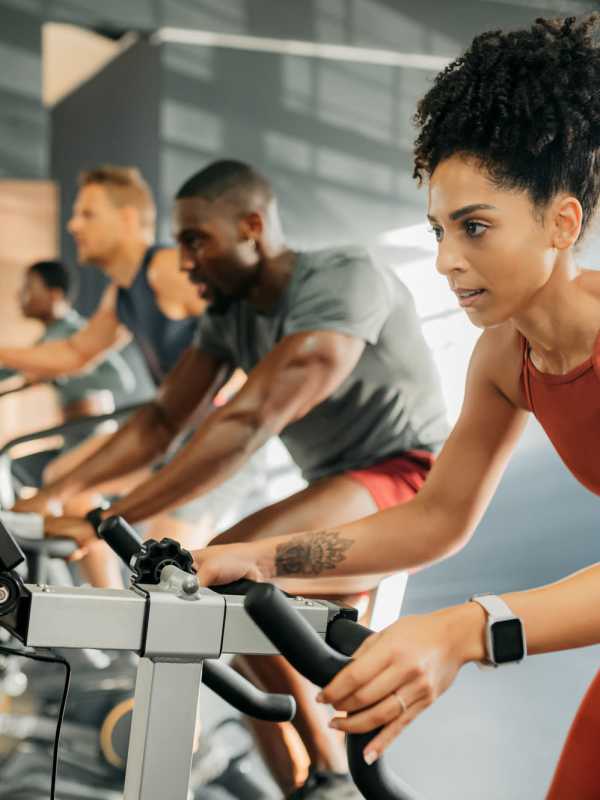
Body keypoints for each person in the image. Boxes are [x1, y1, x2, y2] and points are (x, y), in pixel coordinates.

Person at [184, 15, 600, 795]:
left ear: (562, 220)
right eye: (439, 229)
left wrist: (464, 630)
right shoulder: (506, 357)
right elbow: (435, 519)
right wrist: (260, 559)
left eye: (475, 228)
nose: (446, 260)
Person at [34, 159, 448, 798]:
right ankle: (305, 785)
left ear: (252, 226)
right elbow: (162, 420)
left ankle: (332, 776)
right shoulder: (229, 317)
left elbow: (253, 417)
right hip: (335, 481)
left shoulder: (342, 277)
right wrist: (54, 498)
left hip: (410, 477)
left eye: (198, 240)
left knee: (231, 570)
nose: (187, 260)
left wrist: (107, 518)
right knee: (231, 596)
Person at [12, 166, 261, 585]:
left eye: (88, 214)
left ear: (127, 219)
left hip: (217, 444)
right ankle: (107, 622)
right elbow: (75, 353)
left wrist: (223, 402)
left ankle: (135, 625)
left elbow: (245, 334)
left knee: (168, 580)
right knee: (63, 480)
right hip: (170, 435)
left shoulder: (167, 269)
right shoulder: (122, 292)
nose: (74, 225)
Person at [0, 258, 144, 484]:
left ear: (54, 295)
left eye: (29, 288)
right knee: (17, 470)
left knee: (41, 479)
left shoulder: (76, 334)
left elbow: (121, 380)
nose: (21, 295)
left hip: (92, 432)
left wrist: (59, 377)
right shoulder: (46, 341)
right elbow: (11, 369)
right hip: (70, 433)